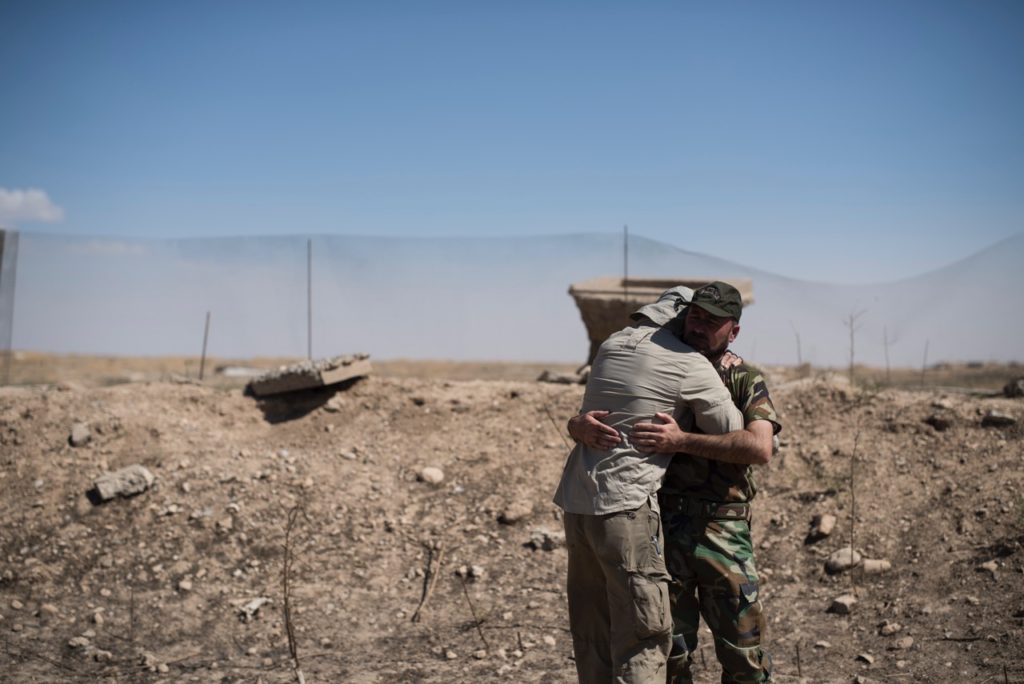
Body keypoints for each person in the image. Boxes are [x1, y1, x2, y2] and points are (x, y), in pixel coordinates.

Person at [570, 282, 780, 684]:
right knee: (670, 650)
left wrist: (681, 441)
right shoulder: (659, 359)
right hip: (664, 525)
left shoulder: (742, 378)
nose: (699, 327)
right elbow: (603, 416)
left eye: (713, 322)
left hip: (722, 526)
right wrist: (576, 425)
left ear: (733, 331)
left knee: (743, 653)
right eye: (695, 317)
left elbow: (760, 448)